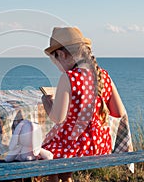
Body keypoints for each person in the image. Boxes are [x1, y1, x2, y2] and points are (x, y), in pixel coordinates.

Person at [41, 27, 126, 182]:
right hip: (101, 146)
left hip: (77, 147)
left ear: (61, 54)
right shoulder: (103, 75)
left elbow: (58, 118)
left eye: (56, 62)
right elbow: (119, 112)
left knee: (44, 152)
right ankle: (66, 178)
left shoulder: (69, 78)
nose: (58, 67)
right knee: (54, 152)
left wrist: (47, 104)